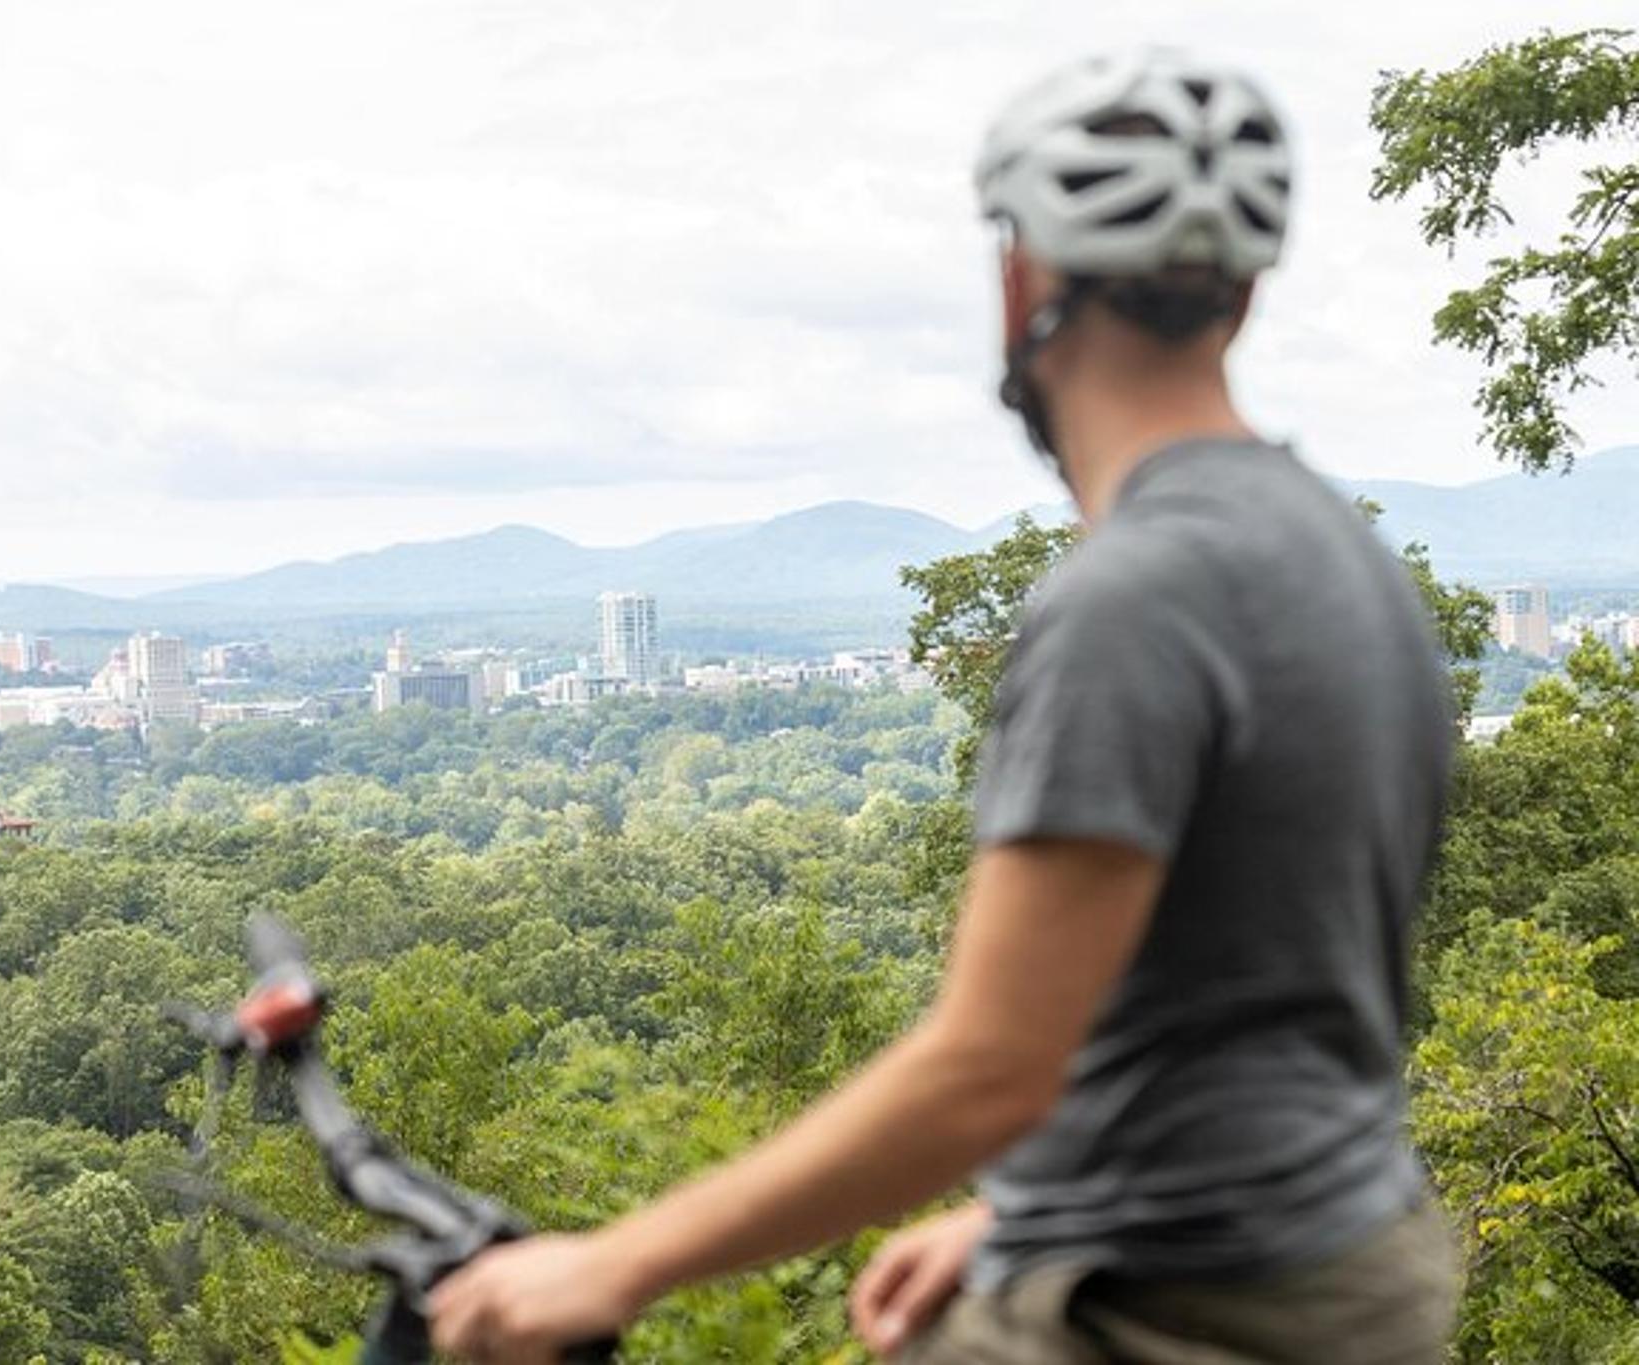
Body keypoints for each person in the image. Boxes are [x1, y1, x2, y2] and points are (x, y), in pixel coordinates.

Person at [430, 49, 1460, 1364]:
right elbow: (1256, 996)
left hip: (1193, 1311)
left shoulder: (1134, 599)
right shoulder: (1340, 555)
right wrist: (1023, 1216)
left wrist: (613, 1263)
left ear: (1022, 276)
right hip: (1332, 1255)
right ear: (1244, 294)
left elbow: (990, 1064)